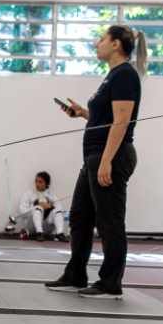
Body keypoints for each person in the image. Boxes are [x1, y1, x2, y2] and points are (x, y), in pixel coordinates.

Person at [46, 25, 145, 299]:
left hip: (110, 156)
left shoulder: (124, 75)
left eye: (102, 39)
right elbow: (106, 119)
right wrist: (83, 113)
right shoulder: (112, 76)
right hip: (95, 157)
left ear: (116, 44)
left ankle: (110, 283)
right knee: (80, 216)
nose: (96, 43)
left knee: (109, 221)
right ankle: (75, 274)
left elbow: (121, 122)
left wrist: (106, 161)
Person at [18, 171, 68, 242]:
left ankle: (60, 233)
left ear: (46, 184)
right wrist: (36, 205)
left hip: (47, 228)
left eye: (40, 182)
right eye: (36, 181)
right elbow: (22, 211)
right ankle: (39, 233)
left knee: (57, 210)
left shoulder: (51, 196)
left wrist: (50, 207)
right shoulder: (28, 194)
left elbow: (60, 211)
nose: (37, 184)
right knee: (38, 208)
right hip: (31, 227)